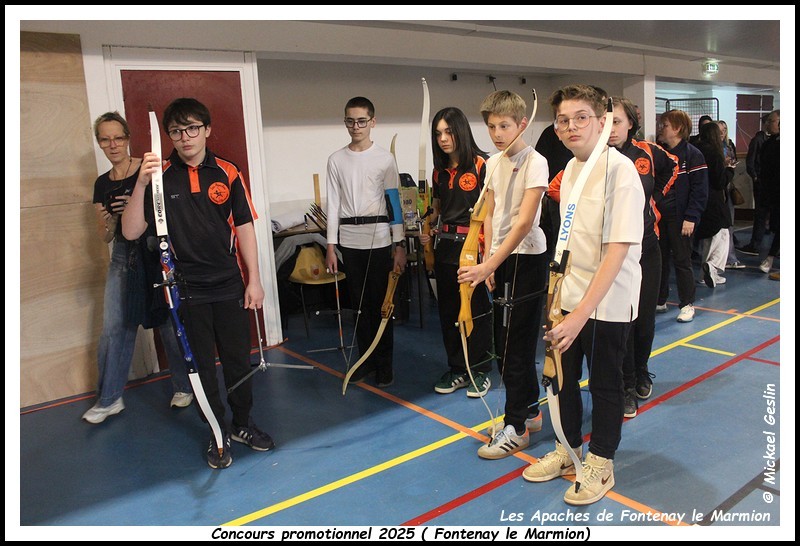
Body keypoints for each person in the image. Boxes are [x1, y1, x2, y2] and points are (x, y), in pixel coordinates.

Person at [123, 98, 272, 469]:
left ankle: (242, 424)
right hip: (186, 290)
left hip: (229, 284)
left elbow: (245, 227)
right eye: (176, 131)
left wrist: (254, 280)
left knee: (238, 361)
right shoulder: (159, 177)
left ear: (207, 129)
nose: (185, 137)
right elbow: (131, 231)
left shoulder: (227, 171)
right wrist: (141, 183)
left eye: (192, 128)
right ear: (169, 136)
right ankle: (217, 433)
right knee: (201, 367)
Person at [522, 84, 644, 506]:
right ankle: (567, 449)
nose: (571, 126)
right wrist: (560, 303)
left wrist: (580, 315)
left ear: (601, 121)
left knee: (606, 384)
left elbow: (616, 250)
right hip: (567, 297)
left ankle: (601, 462)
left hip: (608, 302)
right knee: (562, 379)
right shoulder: (572, 169)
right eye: (563, 120)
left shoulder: (620, 171)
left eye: (581, 118)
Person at [82, 112, 193, 425]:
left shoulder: (148, 167)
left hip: (156, 252)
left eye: (118, 137)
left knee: (169, 321)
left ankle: (184, 386)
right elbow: (105, 235)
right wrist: (110, 221)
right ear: (99, 143)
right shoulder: (102, 183)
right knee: (115, 327)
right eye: (105, 139)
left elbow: (167, 209)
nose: (113, 144)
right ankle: (109, 398)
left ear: (128, 138)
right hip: (123, 256)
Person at [457, 90, 549, 460]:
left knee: (517, 347)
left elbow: (524, 222)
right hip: (499, 260)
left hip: (527, 260)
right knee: (504, 341)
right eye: (492, 126)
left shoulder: (536, 162)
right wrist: (488, 257)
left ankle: (517, 427)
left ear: (522, 124)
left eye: (505, 126)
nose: (497, 133)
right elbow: (490, 212)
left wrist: (491, 264)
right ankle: (529, 410)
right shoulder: (493, 162)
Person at [324, 97, 407, 388]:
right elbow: (333, 205)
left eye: (361, 121)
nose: (355, 126)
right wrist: (331, 246)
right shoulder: (336, 160)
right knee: (359, 306)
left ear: (372, 122)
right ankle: (365, 361)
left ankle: (385, 365)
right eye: (350, 121)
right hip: (349, 240)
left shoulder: (385, 159)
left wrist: (399, 244)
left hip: (380, 239)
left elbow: (393, 203)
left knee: (382, 305)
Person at [607, 97, 678, 418]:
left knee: (645, 318)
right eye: (606, 122)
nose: (611, 129)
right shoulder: (595, 157)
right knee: (624, 319)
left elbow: (673, 166)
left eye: (617, 122)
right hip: (615, 253)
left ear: (630, 124)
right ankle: (625, 387)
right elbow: (558, 188)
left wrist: (655, 197)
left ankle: (640, 372)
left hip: (647, 247)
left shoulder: (647, 152)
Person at [418, 107, 493, 397]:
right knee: (449, 311)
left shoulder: (482, 164)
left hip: (473, 247)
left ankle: (480, 369)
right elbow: (437, 210)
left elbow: (490, 214)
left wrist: (488, 258)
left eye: (448, 132)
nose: (443, 138)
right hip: (445, 248)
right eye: (438, 133)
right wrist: (428, 228)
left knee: (475, 310)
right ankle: (458, 368)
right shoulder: (439, 171)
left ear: (460, 130)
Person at [654, 109, 708, 323]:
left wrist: (691, 217)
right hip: (660, 218)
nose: (661, 129)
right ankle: (660, 299)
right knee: (660, 260)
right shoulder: (660, 153)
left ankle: (687, 304)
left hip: (681, 218)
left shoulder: (693, 154)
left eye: (665, 125)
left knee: (682, 261)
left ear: (677, 129)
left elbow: (700, 190)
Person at [693, 122, 733, 287]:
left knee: (709, 239)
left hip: (699, 198)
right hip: (714, 200)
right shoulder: (714, 153)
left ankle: (706, 275)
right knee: (721, 235)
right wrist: (729, 170)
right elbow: (719, 181)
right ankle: (713, 265)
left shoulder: (695, 150)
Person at [534, 123, 573, 260]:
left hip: (573, 199)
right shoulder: (549, 134)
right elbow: (552, 187)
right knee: (558, 240)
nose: (571, 127)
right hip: (556, 198)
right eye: (563, 120)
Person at [739, 114, 771, 255]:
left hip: (769, 182)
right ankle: (755, 243)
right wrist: (756, 177)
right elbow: (751, 161)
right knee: (760, 213)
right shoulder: (758, 140)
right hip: (762, 182)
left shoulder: (771, 140)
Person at [717, 120, 744, 269]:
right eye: (719, 129)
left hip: (728, 186)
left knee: (729, 224)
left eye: (724, 129)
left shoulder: (729, 146)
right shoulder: (712, 149)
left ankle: (730, 256)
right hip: (718, 188)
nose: (722, 132)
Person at [757, 110, 780, 274]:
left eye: (771, 121)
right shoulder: (768, 143)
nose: (768, 124)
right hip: (772, 192)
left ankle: (771, 256)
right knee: (775, 225)